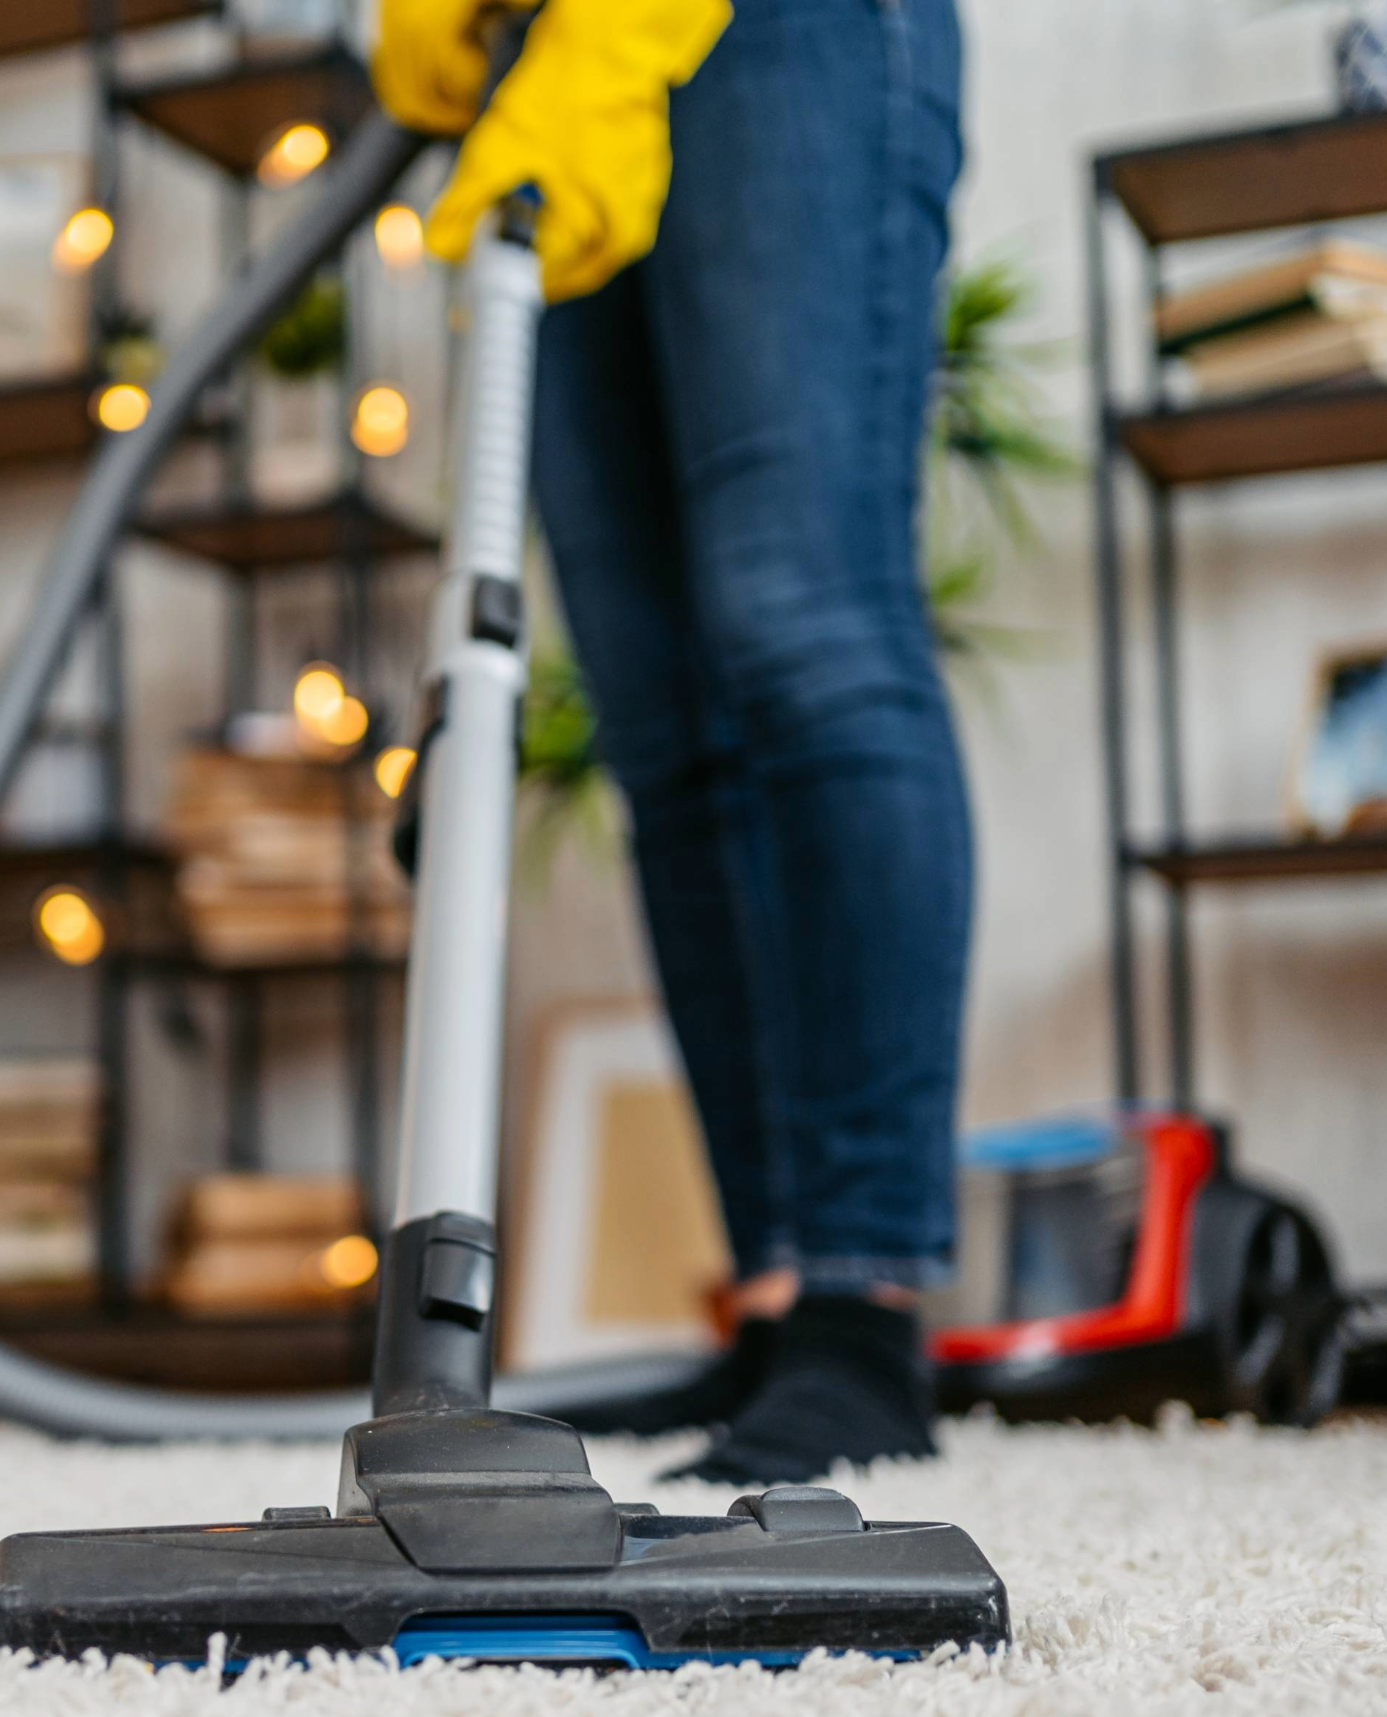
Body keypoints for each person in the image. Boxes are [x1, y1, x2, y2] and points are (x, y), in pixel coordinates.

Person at [374, 0, 969, 1484]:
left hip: (779, 32)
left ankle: (860, 1304)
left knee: (804, 623)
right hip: (540, 66)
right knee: (663, 716)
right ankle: (773, 1302)